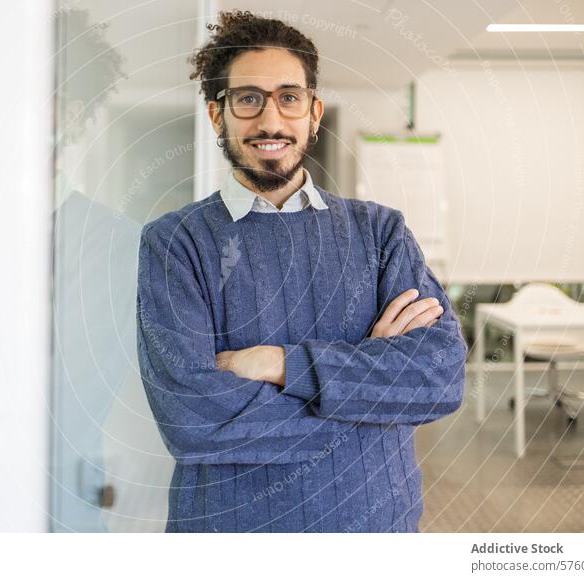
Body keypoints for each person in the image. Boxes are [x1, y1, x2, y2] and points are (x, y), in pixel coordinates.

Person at [135, 10, 468, 533]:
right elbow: (193, 419)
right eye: (248, 98)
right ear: (216, 115)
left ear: (313, 112)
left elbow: (440, 376)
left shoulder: (380, 233)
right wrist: (369, 398)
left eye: (288, 97)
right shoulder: (176, 243)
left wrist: (279, 363)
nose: (271, 121)